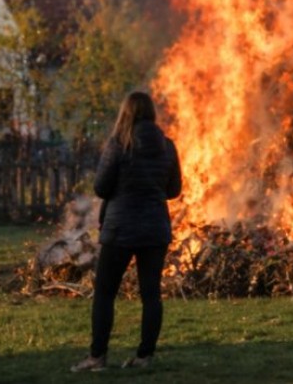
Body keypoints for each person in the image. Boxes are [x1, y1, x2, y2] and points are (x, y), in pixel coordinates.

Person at [71, 90, 183, 373]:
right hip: (155, 230)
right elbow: (174, 190)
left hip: (120, 229)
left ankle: (97, 357)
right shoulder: (167, 146)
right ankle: (145, 357)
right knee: (151, 295)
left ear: (126, 113)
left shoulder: (119, 144)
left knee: (106, 293)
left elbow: (101, 187)